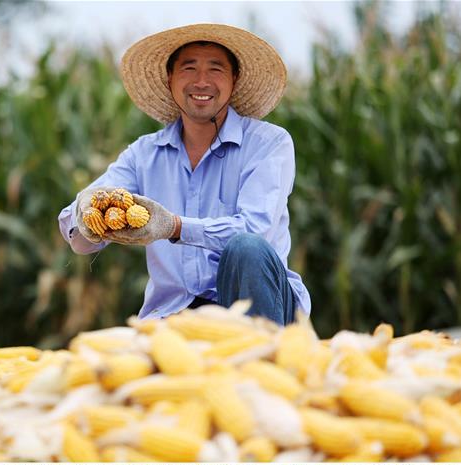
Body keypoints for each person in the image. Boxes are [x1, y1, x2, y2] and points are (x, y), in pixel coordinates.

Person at [58, 24, 310, 327]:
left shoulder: (269, 143)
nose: (201, 81)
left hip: (256, 309)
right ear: (170, 79)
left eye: (215, 69)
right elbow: (79, 238)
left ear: (234, 79)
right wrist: (85, 216)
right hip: (172, 317)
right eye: (189, 68)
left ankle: (267, 364)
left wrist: (174, 227)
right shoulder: (144, 154)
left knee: (247, 248)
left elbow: (255, 231)